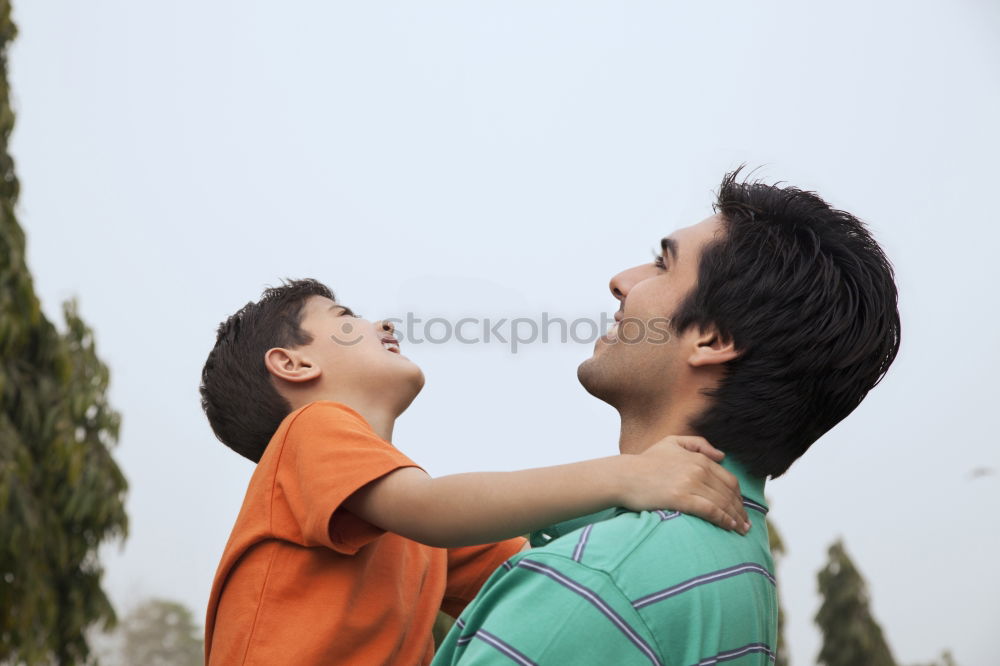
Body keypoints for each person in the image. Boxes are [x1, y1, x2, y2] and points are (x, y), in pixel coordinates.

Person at [431, 170, 901, 666]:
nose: (622, 281)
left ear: (713, 340)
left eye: (662, 265)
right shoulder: (736, 561)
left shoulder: (597, 583)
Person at [199, 279, 751, 665]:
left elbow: (532, 575)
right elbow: (435, 509)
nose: (383, 323)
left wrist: (637, 520)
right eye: (346, 319)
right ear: (293, 364)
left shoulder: (407, 522)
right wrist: (628, 476)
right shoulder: (311, 431)